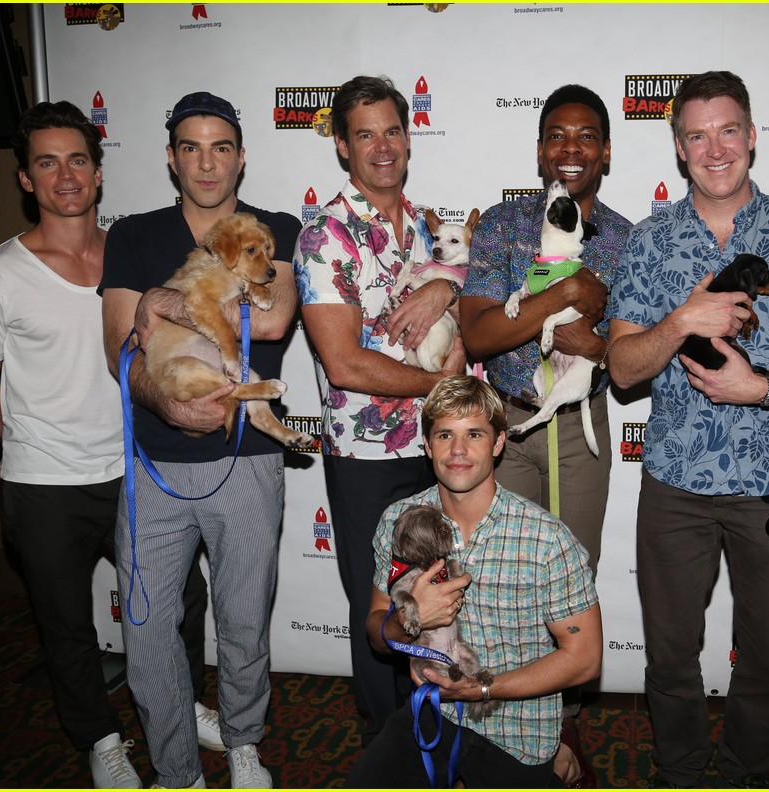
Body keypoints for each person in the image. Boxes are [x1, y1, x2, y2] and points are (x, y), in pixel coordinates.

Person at [608, 71, 769, 788]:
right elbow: (622, 367)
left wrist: (765, 387)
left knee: (765, 657)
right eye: (697, 135)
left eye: (727, 131)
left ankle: (748, 774)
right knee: (669, 656)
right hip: (675, 485)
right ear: (679, 147)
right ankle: (679, 773)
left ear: (752, 135)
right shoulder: (650, 241)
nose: (715, 149)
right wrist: (680, 321)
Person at [101, 91, 301, 788]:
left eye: (221, 148)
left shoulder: (275, 229)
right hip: (155, 463)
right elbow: (120, 349)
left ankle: (243, 742)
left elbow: (271, 320)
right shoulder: (132, 235)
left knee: (243, 620)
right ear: (171, 158)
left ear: (241, 157)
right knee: (147, 627)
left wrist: (165, 302)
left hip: (246, 460)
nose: (207, 163)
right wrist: (170, 405)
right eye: (191, 148)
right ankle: (177, 769)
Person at [0, 100, 145, 788]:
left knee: (174, 604)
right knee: (66, 626)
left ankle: (178, 705)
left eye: (78, 160)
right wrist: (35, 445)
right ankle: (100, 740)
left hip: (134, 472)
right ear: (26, 179)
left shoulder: (131, 256)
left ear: (98, 171)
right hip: (43, 487)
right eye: (47, 162)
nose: (66, 176)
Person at [459, 82, 631, 786]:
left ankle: (559, 724)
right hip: (505, 423)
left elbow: (633, 348)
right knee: (500, 578)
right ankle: (500, 720)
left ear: (606, 152)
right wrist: (562, 295)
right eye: (557, 135)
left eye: (586, 135)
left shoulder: (625, 237)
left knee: (570, 577)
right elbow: (479, 334)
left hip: (578, 425)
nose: (571, 148)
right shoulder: (503, 225)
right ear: (539, 150)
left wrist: (601, 346)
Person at [293, 75, 467, 743]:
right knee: (380, 613)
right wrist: (438, 386)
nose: (383, 146)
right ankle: (385, 755)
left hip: (439, 454)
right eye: (365, 134)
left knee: (439, 603)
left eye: (392, 130)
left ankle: (435, 739)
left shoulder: (430, 229)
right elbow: (344, 364)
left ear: (408, 137)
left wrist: (447, 290)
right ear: (342, 145)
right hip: (367, 459)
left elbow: (471, 295)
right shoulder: (325, 236)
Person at [347, 374, 603, 786]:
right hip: (432, 714)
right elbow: (376, 631)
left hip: (517, 733)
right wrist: (407, 619)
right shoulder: (399, 521)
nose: (458, 450)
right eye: (445, 435)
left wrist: (482, 690)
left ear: (499, 443)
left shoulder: (546, 539)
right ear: (427, 444)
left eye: (475, 434)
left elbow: (585, 658)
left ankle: (562, 753)